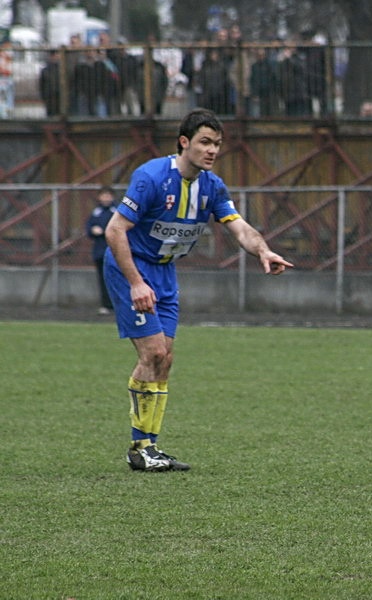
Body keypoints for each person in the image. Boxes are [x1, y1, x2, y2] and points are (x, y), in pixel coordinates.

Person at [104, 109, 294, 472]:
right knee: (153, 352)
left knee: (166, 358)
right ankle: (139, 447)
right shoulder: (151, 177)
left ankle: (150, 448)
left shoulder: (211, 186)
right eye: (206, 142)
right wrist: (135, 283)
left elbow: (241, 229)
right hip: (133, 269)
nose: (212, 151)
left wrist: (263, 250)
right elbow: (115, 231)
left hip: (164, 273)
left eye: (218, 144)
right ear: (184, 142)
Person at [86, 186, 117, 314]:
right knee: (103, 279)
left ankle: (118, 305)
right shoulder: (96, 212)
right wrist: (93, 230)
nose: (106, 198)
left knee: (117, 279)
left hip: (115, 251)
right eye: (103, 195)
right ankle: (106, 305)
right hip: (100, 252)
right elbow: (89, 228)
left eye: (108, 195)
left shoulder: (116, 212)